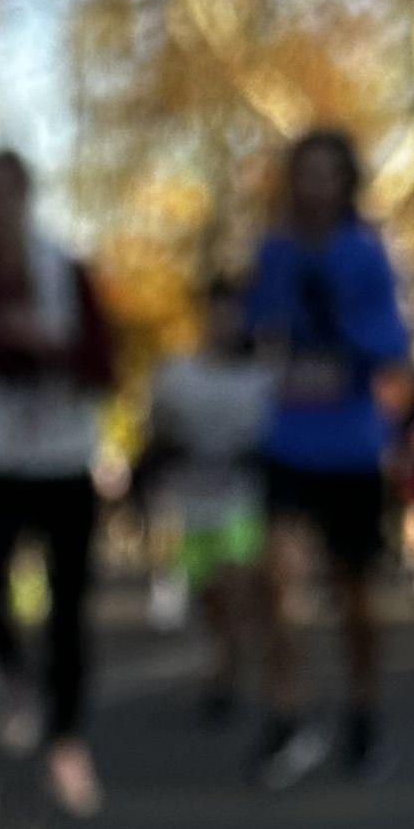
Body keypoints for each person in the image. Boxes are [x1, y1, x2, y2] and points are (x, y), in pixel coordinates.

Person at [0, 149, 122, 815]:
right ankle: (14, 676)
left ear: (28, 197)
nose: (0, 206)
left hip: (62, 458)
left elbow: (102, 366)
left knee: (69, 607)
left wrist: (50, 344)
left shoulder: (65, 270)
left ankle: (67, 741)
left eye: (11, 192)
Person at [239, 126, 414, 786]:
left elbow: (392, 343)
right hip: (285, 441)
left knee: (355, 599)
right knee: (277, 581)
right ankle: (287, 717)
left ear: (345, 183)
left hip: (350, 447)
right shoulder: (273, 251)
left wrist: (338, 327)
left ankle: (364, 715)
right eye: (304, 172)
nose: (314, 185)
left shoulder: (367, 254)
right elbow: (253, 329)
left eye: (326, 173)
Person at [135, 277, 279, 728]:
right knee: (211, 598)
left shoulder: (265, 378)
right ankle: (227, 661)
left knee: (235, 586)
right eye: (216, 312)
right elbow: (154, 434)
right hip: (191, 504)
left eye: (232, 312)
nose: (223, 322)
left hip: (242, 502)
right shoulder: (176, 377)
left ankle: (229, 676)